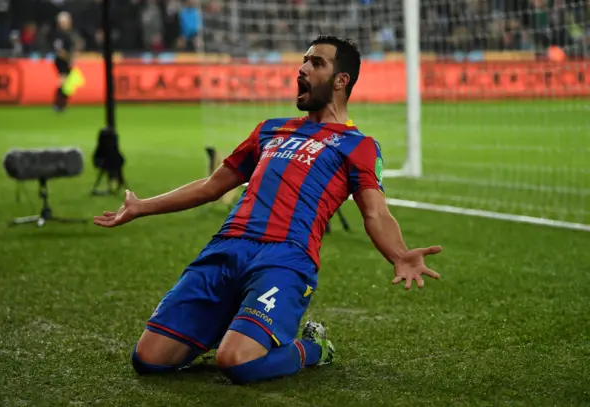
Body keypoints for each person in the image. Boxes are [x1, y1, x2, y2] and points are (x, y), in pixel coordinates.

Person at [93, 35, 442, 385]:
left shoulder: (359, 146)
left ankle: (313, 347)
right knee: (149, 360)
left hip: (285, 259)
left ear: (341, 81)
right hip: (225, 247)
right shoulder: (270, 129)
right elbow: (211, 186)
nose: (302, 69)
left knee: (238, 364)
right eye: (304, 60)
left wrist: (399, 254)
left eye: (316, 63)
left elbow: (375, 213)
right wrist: (141, 207)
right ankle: (230, 325)